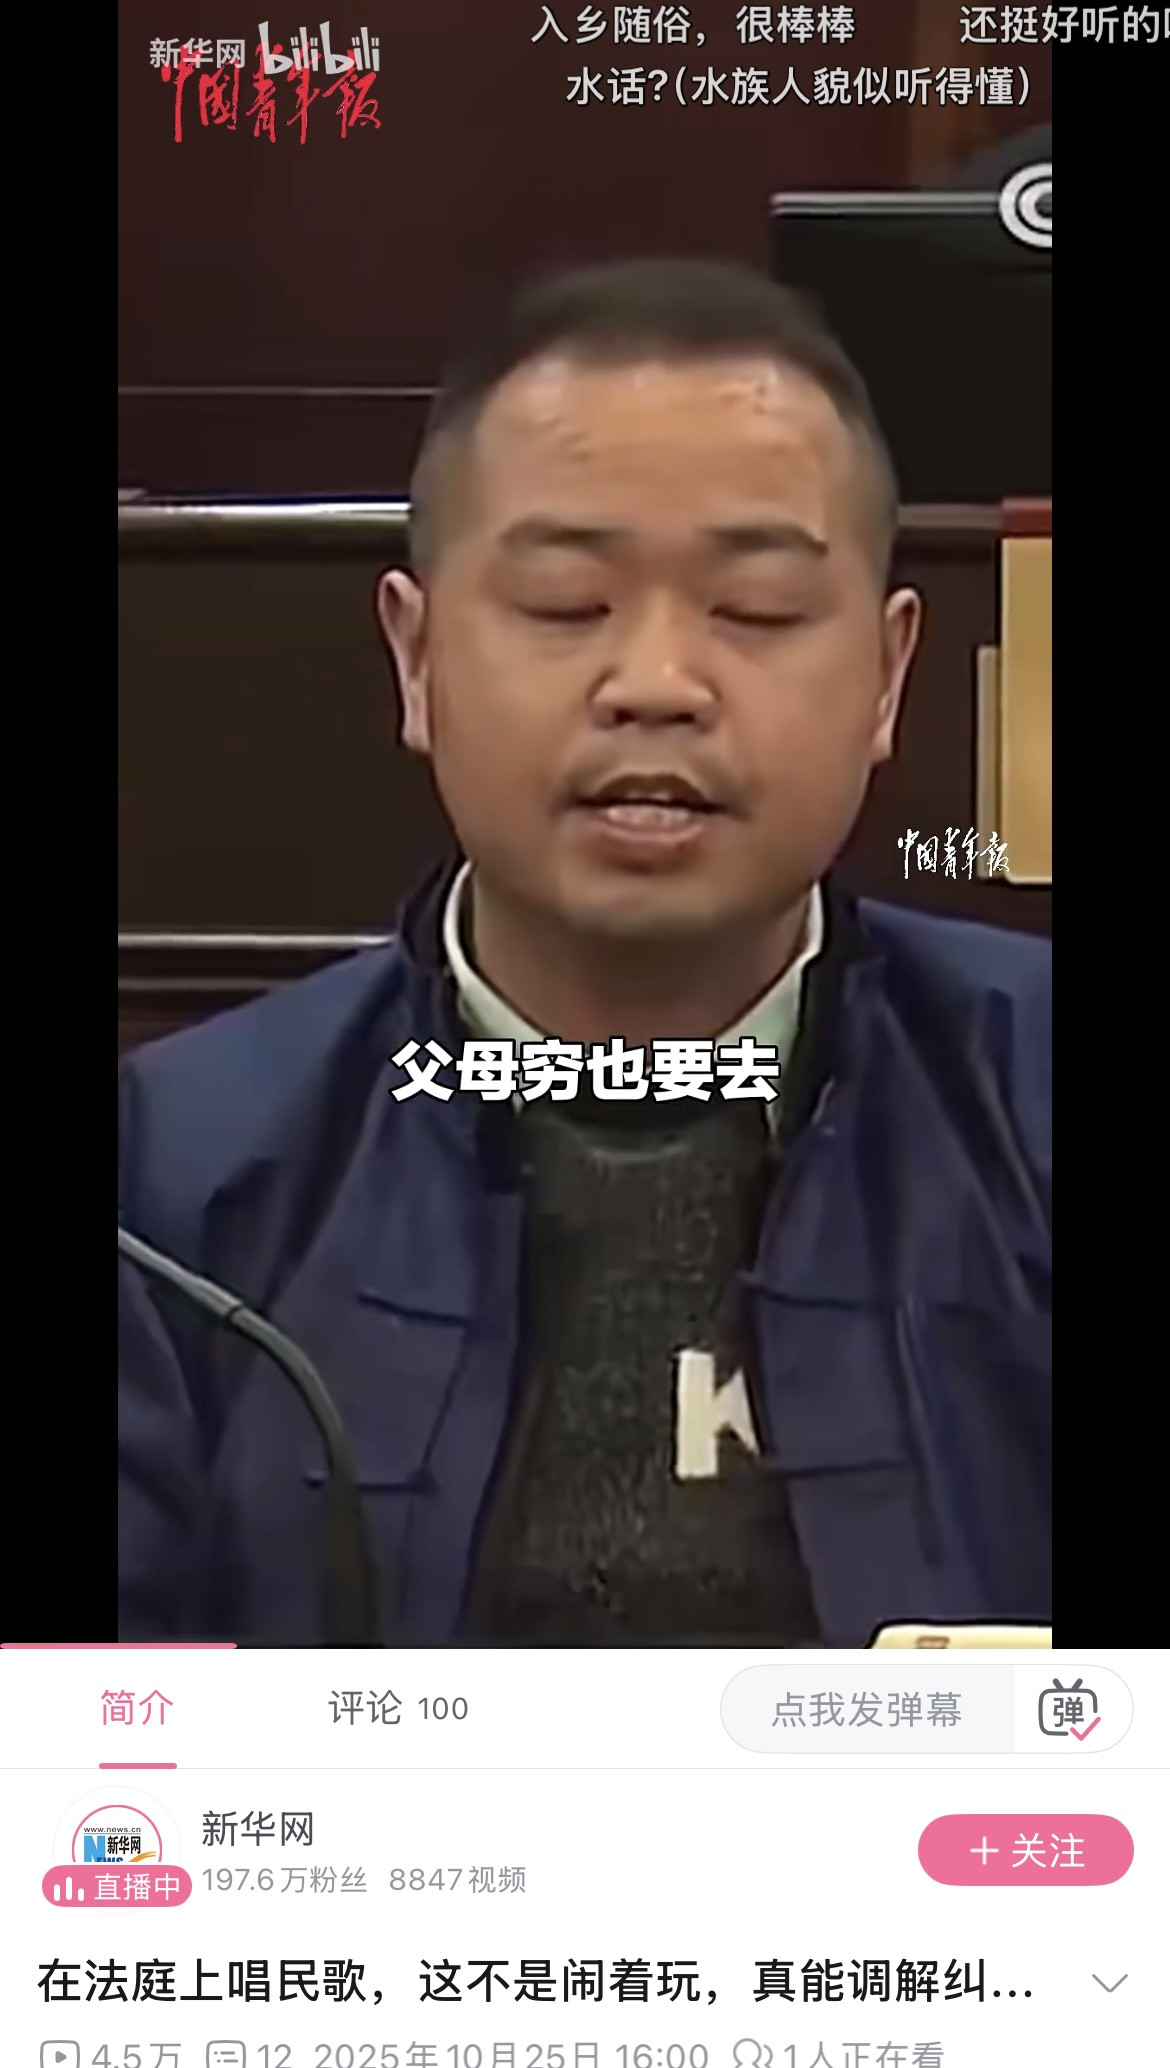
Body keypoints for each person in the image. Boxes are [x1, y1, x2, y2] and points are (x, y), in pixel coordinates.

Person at [118, 257, 1051, 1647]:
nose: (656, 685)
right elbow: (77, 1740)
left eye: (756, 611)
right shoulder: (169, 1182)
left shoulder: (1029, 1100)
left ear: (886, 673)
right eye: (564, 605)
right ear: (416, 659)